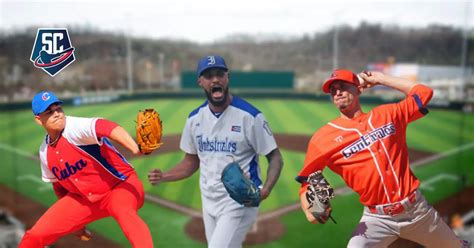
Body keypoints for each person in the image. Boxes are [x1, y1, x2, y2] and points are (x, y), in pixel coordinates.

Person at [296, 69, 464, 247]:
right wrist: (310, 209)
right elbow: (307, 179)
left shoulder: (387, 115)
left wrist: (380, 79)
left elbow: (424, 93)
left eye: (343, 87)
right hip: (376, 220)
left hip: (418, 212)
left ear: (358, 89)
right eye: (333, 90)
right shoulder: (323, 139)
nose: (337, 92)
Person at [148, 55, 283, 248]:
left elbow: (275, 156)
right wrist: (165, 176)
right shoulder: (194, 119)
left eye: (219, 74)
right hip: (208, 200)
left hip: (239, 200)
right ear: (200, 82)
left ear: (227, 77)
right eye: (209, 76)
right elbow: (191, 161)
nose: (215, 79)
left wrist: (266, 189)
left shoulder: (250, 116)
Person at [19, 91, 154, 247]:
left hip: (120, 186)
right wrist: (76, 224)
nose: (57, 114)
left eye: (59, 109)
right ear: (38, 120)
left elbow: (106, 126)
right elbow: (59, 187)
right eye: (50, 112)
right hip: (85, 199)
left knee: (125, 213)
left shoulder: (75, 127)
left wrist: (134, 148)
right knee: (36, 235)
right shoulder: (44, 152)